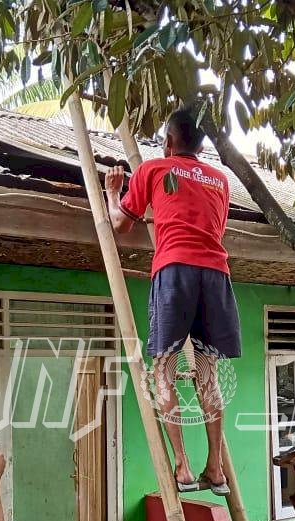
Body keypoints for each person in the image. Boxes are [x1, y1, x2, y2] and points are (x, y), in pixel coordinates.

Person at [104, 106, 240, 497]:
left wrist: (114, 190)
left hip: (175, 269)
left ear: (167, 141)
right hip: (215, 274)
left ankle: (182, 466)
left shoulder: (153, 169)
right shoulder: (219, 180)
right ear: (200, 144)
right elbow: (215, 227)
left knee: (163, 370)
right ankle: (215, 469)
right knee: (207, 374)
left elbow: (120, 224)